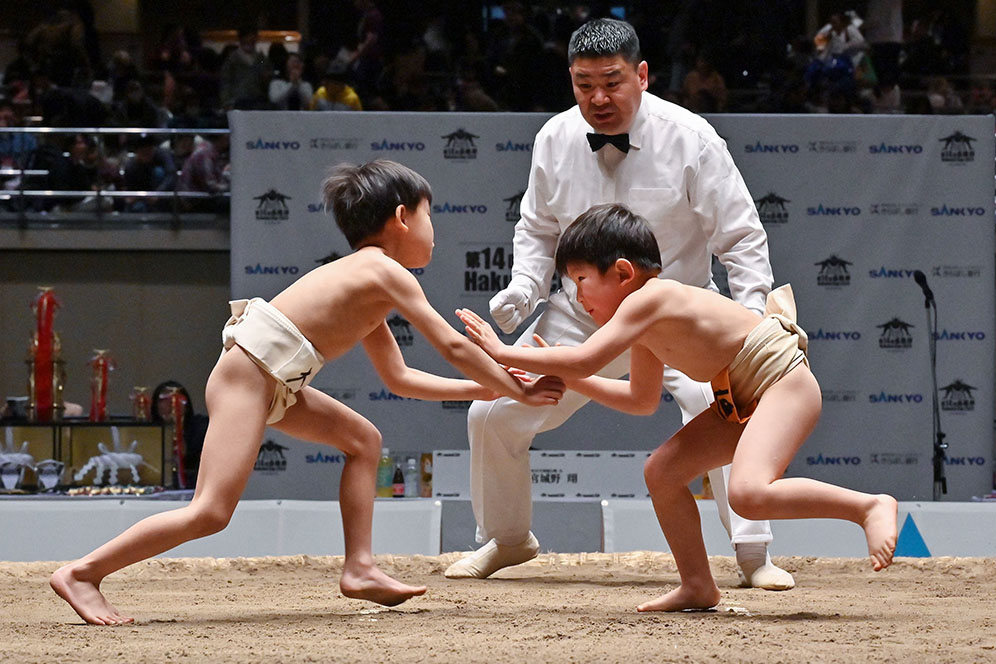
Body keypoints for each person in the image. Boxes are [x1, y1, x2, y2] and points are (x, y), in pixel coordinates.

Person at [49, 159, 565, 626]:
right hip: (248, 376)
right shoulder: (381, 270)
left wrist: (494, 386)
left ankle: (359, 568)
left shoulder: (368, 284)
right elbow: (452, 346)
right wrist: (511, 386)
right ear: (403, 217)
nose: (436, 232)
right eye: (432, 217)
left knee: (363, 440)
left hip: (273, 383)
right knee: (210, 511)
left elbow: (401, 379)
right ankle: (83, 573)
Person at [445, 18, 794, 590]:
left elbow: (741, 237)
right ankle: (507, 539)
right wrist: (523, 289)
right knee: (490, 411)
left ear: (643, 75)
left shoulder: (692, 137)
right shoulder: (554, 138)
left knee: (728, 406)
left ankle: (753, 553)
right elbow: (536, 230)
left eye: (611, 82)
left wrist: (753, 318)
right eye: (584, 85)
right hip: (581, 314)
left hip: (676, 314)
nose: (598, 98)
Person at [456, 203, 899, 611]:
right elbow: (640, 400)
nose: (576, 296)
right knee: (662, 472)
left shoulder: (651, 299)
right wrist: (573, 380)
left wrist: (502, 352)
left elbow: (586, 355)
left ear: (624, 272)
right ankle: (698, 584)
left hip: (783, 381)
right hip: (740, 396)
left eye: (581, 280)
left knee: (747, 492)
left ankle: (868, 506)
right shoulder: (647, 323)